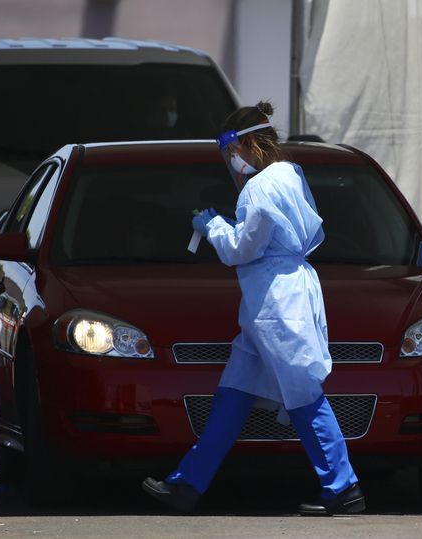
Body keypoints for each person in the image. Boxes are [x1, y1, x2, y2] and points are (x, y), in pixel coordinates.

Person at [141, 101, 365, 516]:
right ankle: (187, 484)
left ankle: (343, 487)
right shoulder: (290, 174)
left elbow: (241, 249)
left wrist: (211, 226)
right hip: (277, 302)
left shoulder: (258, 189)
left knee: (303, 394)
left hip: (276, 306)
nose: (232, 161)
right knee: (234, 392)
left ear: (247, 144)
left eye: (231, 151)